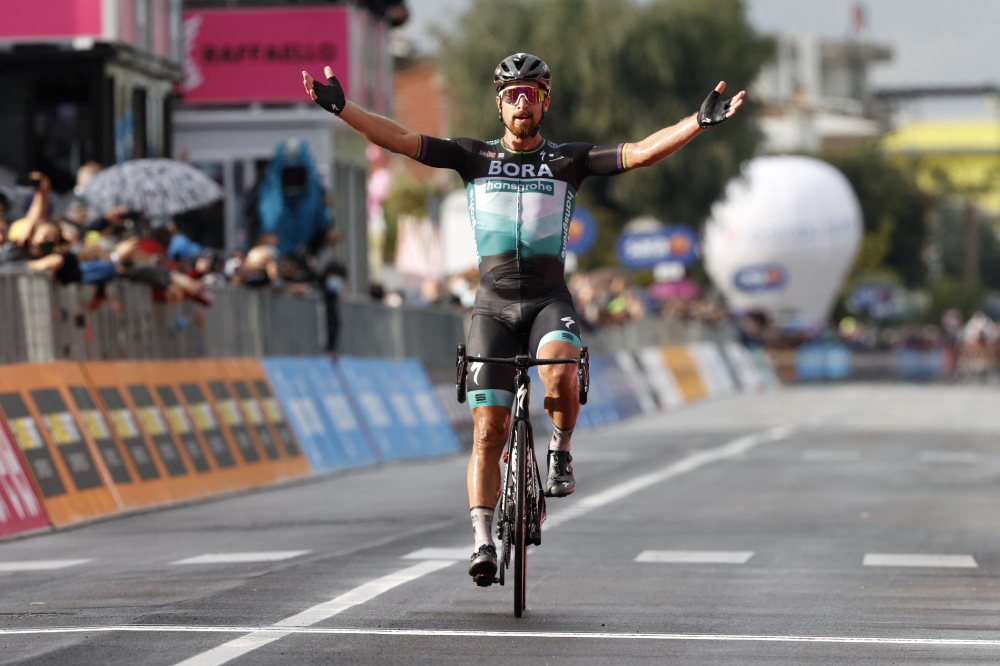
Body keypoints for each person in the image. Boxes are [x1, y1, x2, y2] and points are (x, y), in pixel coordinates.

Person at [303, 53, 744, 585]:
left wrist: (695, 123)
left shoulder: (570, 161)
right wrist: (343, 109)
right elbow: (399, 139)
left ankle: (559, 452)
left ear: (544, 102)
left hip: (547, 298)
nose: (520, 103)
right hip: (491, 304)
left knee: (559, 367)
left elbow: (642, 153)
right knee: (488, 430)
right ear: (498, 103)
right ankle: (482, 541)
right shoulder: (472, 156)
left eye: (530, 94)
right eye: (511, 95)